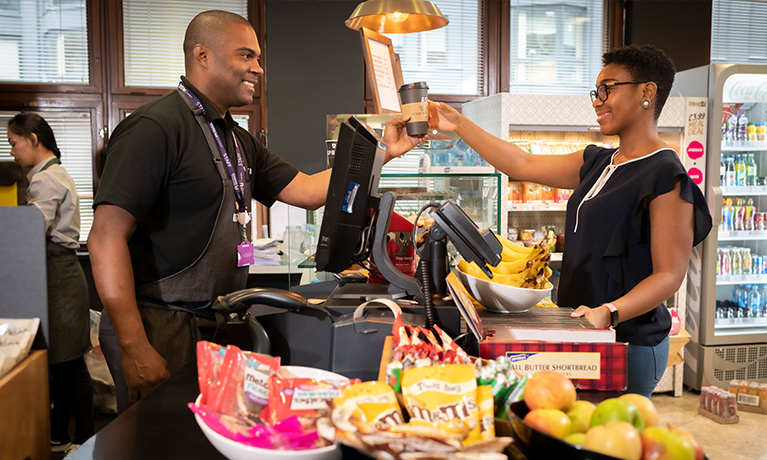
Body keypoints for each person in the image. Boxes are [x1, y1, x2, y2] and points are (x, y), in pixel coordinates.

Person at [87, 10, 421, 412]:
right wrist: (133, 345)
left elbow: (310, 190)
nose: (258, 69)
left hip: (211, 323)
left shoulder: (236, 138)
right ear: (202, 55)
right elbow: (105, 236)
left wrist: (383, 152)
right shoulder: (155, 127)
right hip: (158, 327)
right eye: (246, 56)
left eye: (258, 58)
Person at [427, 44, 712, 397]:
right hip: (580, 332)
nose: (597, 100)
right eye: (596, 91)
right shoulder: (598, 162)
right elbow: (522, 164)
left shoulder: (666, 176)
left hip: (628, 342)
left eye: (608, 88)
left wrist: (610, 311)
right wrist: (457, 123)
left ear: (647, 92)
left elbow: (669, 275)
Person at [8, 114, 95, 453]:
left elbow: (32, 230)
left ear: (33, 139)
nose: (12, 151)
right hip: (59, 273)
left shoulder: (46, 180)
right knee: (60, 362)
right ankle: (59, 437)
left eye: (14, 143)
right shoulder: (50, 174)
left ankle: (86, 439)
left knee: (70, 364)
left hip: (58, 274)